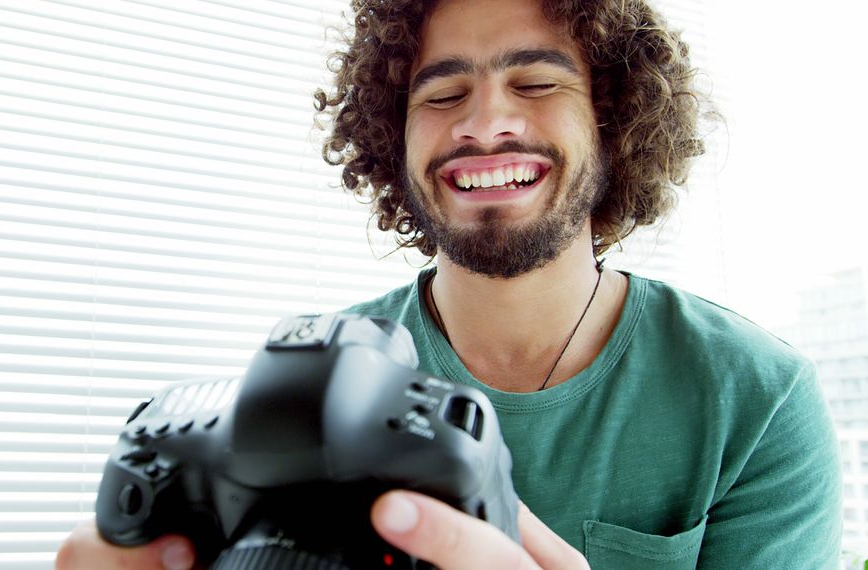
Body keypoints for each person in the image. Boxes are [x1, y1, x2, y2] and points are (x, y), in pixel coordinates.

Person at [57, 0, 843, 568]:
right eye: (442, 94)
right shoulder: (314, 381)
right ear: (389, 140)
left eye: (536, 83)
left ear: (614, 119)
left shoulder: (757, 395)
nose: (483, 123)